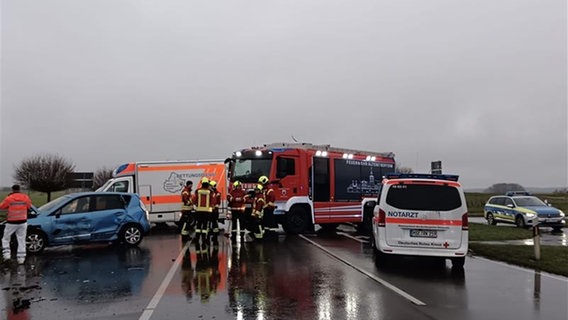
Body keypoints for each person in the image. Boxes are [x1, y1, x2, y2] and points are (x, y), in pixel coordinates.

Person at [0, 185, 32, 264]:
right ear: (19, 189)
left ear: (12, 189)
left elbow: (2, 206)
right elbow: (29, 206)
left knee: (5, 239)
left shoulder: (9, 198)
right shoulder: (25, 197)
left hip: (11, 222)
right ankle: (21, 259)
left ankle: (7, 256)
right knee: (21, 240)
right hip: (22, 221)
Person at [192, 178, 216, 244]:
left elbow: (194, 200)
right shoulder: (211, 191)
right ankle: (204, 238)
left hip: (199, 211)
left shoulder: (197, 191)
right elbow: (213, 201)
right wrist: (212, 206)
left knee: (198, 225)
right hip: (207, 211)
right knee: (205, 225)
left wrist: (195, 205)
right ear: (207, 184)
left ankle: (197, 238)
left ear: (202, 183)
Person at [208, 180, 222, 245]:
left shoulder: (213, 193)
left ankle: (214, 236)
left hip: (213, 211)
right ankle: (213, 236)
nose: (209, 187)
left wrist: (214, 207)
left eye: (210, 185)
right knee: (213, 223)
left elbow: (217, 202)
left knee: (212, 223)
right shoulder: (216, 193)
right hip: (213, 211)